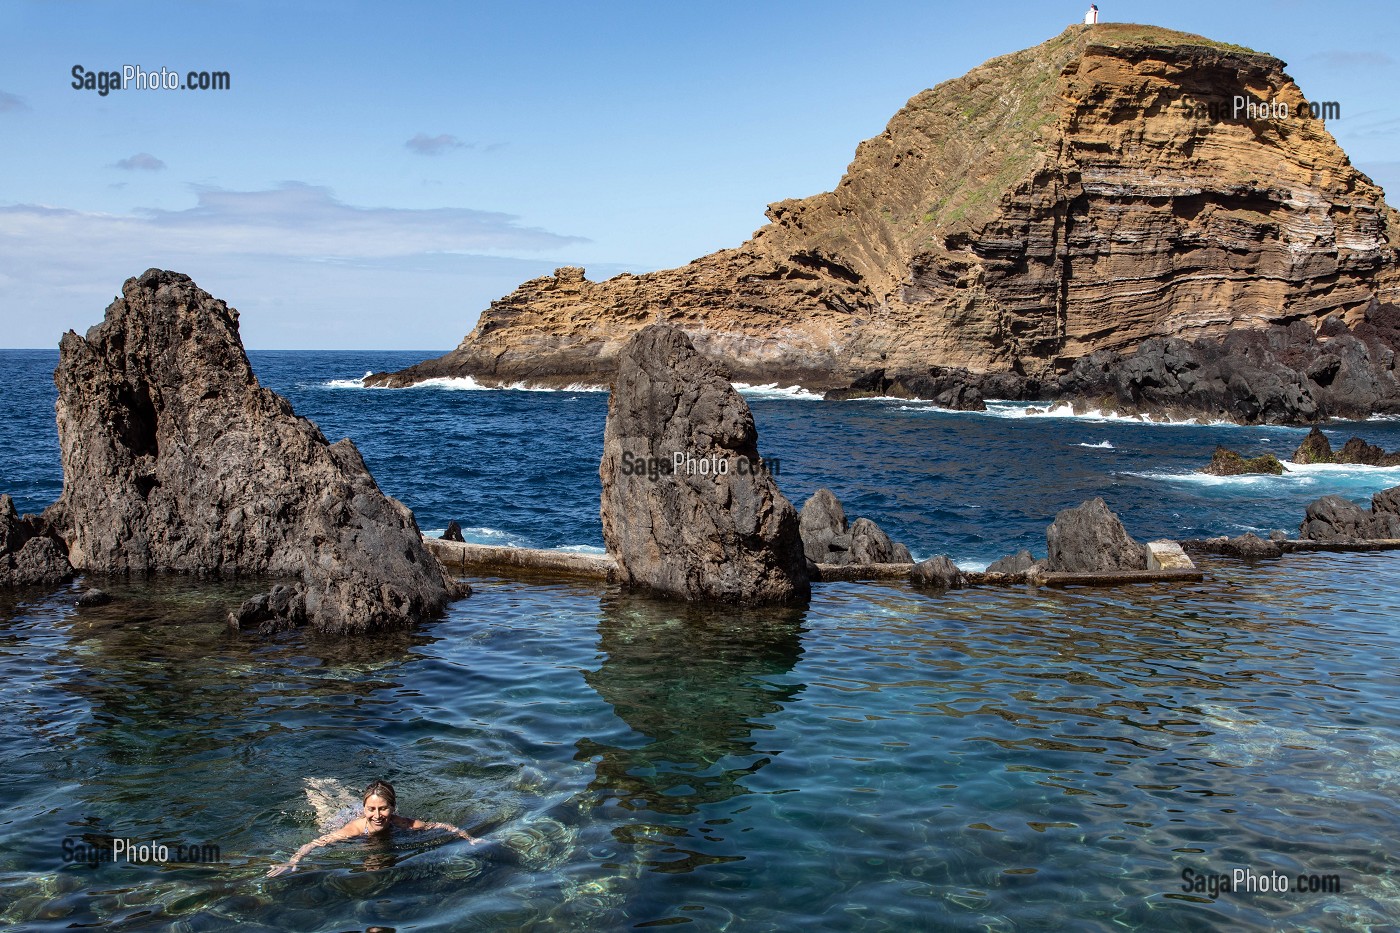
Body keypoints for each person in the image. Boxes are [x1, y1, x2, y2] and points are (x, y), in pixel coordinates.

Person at [267, 779, 480, 876]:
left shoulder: (402, 823)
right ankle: (313, 786)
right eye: (371, 809)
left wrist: (470, 839)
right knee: (325, 811)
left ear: (392, 808)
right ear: (365, 809)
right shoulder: (354, 830)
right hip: (341, 820)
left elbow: (445, 826)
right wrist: (293, 862)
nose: (377, 816)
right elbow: (314, 843)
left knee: (346, 800)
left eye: (383, 809)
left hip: (359, 812)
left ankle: (335, 787)